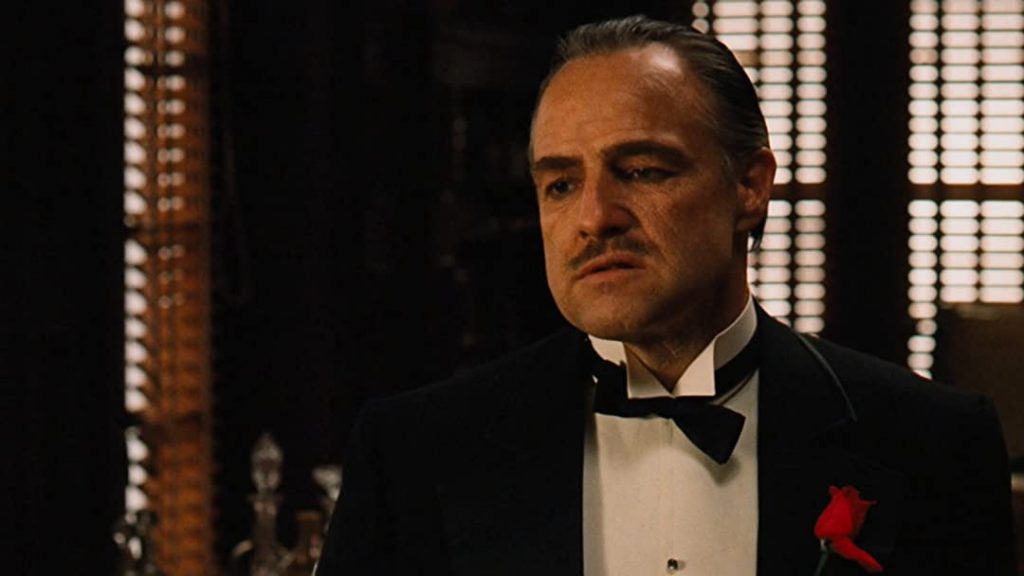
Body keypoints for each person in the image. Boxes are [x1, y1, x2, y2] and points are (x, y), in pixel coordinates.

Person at [317, 16, 1016, 575]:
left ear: (749, 187)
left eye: (642, 170)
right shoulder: (415, 452)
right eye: (561, 184)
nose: (594, 217)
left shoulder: (931, 445)